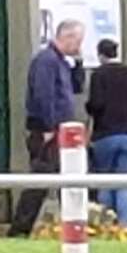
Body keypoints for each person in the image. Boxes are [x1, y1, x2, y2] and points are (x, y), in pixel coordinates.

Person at [11, 20, 84, 237]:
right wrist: (48, 127)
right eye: (78, 41)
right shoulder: (46, 61)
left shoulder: (62, 62)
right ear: (67, 37)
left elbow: (77, 87)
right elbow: (44, 95)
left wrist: (78, 63)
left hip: (62, 130)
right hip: (48, 131)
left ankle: (71, 224)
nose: (79, 45)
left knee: (67, 179)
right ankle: (20, 228)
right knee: (40, 180)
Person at [86, 38, 127, 224]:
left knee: (106, 181)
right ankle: (124, 225)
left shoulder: (99, 75)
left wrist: (88, 109)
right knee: (123, 182)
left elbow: (97, 104)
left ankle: (107, 224)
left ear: (100, 54)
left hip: (106, 135)